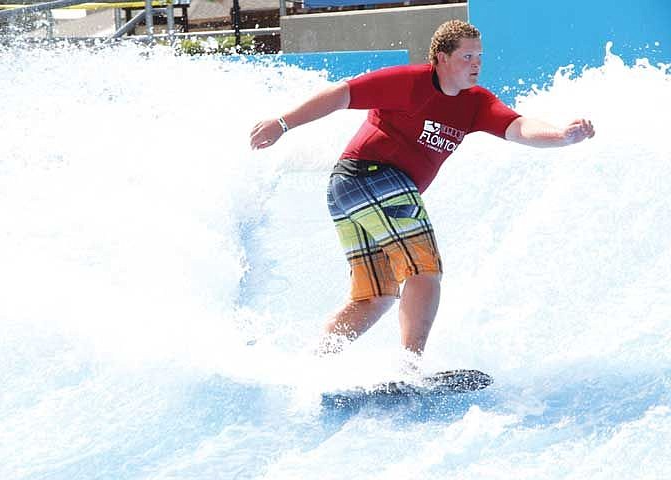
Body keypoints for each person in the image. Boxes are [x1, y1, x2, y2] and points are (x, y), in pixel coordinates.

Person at [249, 20, 594, 359]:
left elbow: (518, 127)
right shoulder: (410, 82)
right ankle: (409, 367)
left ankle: (312, 365)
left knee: (376, 296)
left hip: (352, 192)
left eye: (479, 57)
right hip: (369, 175)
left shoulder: (476, 103)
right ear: (441, 58)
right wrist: (282, 124)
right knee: (423, 269)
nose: (476, 64)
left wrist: (562, 135)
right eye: (467, 57)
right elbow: (342, 94)